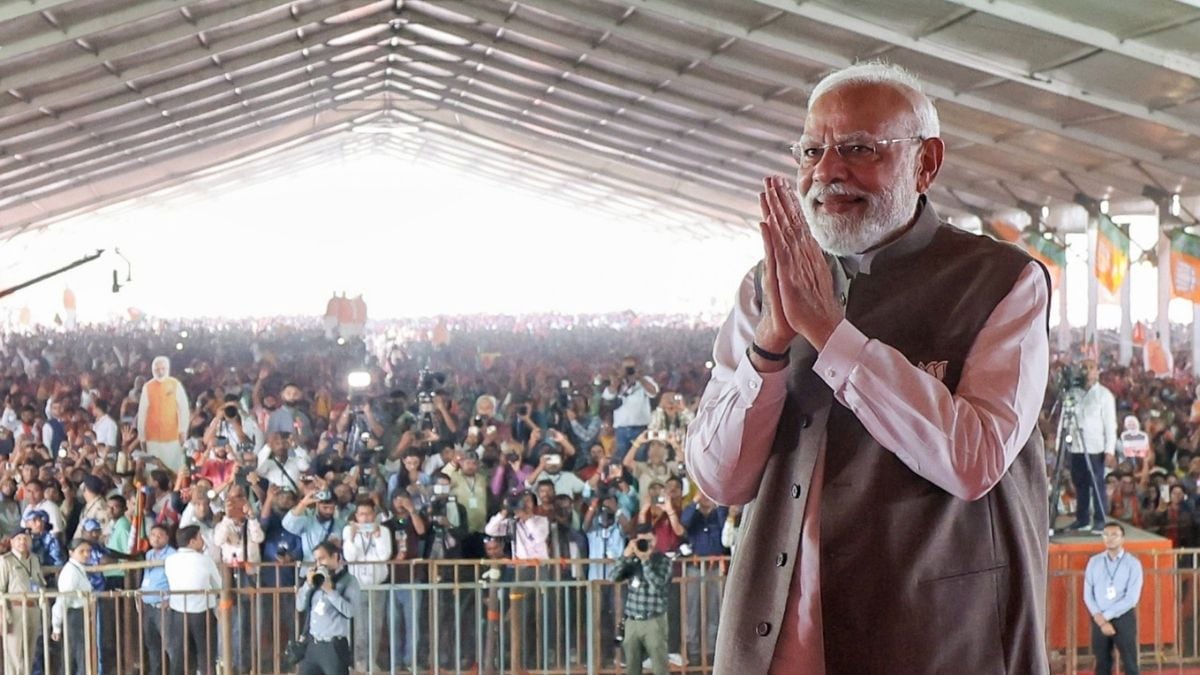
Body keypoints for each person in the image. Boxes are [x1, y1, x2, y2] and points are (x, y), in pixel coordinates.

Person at [685, 62, 1050, 673]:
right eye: (811, 151)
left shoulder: (1001, 281)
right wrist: (772, 343)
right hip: (780, 644)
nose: (827, 171)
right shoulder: (767, 285)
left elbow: (973, 459)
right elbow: (719, 481)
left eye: (858, 148)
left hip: (935, 637)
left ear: (926, 162)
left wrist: (831, 334)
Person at [609, 524, 671, 675]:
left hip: (654, 621)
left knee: (660, 667)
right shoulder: (632, 560)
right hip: (632, 621)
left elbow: (659, 585)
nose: (646, 545)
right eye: (641, 542)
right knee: (631, 668)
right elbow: (613, 578)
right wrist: (625, 556)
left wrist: (646, 561)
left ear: (655, 540)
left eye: (649, 541)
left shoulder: (663, 560)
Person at [1084, 522, 1144, 675]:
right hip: (1098, 617)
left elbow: (1131, 598)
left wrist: (1106, 617)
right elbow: (1087, 594)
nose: (1109, 539)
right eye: (1106, 535)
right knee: (1102, 662)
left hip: (1123, 617)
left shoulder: (1133, 564)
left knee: (1130, 662)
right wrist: (1099, 617)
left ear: (1122, 539)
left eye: (1114, 535)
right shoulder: (1094, 562)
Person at [164, 524, 222, 675]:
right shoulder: (205, 560)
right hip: (202, 613)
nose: (202, 540)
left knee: (179, 657)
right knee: (206, 656)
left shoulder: (169, 561)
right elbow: (219, 585)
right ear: (192, 541)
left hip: (178, 612)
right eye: (200, 537)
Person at [296, 540, 361, 675]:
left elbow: (350, 611)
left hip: (334, 646)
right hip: (313, 644)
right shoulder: (314, 581)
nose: (319, 564)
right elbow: (300, 606)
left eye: (322, 558)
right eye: (316, 560)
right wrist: (307, 585)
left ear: (335, 557)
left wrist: (330, 591)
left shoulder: (349, 581)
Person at [341, 498, 391, 672]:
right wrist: (352, 537)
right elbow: (350, 557)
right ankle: (359, 661)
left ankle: (372, 661)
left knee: (376, 625)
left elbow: (384, 555)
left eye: (369, 514)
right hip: (357, 586)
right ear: (356, 516)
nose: (366, 518)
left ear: (374, 515)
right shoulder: (348, 530)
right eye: (362, 514)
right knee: (360, 627)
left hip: (378, 584)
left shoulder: (383, 530)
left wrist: (377, 537)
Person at [1069, 359, 1118, 532]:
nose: (1087, 371)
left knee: (1097, 484)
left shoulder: (1104, 395)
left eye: (1091, 368)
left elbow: (1110, 425)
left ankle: (1100, 519)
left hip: (1095, 447)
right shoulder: (1073, 393)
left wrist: (1109, 450)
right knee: (1080, 483)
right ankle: (1082, 519)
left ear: (1097, 372)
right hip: (1076, 447)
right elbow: (1066, 417)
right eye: (1084, 368)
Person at [0, 528, 46, 675]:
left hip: (33, 608)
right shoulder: (5, 561)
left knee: (29, 654)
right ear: (12, 542)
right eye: (19, 539)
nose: (22, 542)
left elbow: (39, 582)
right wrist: (4, 614)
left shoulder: (34, 559)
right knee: (15, 656)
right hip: (15, 610)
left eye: (26, 538)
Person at [137, 356, 190, 472]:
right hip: (152, 438)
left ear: (167, 369)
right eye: (157, 369)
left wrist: (183, 431)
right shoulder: (148, 387)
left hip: (172, 436)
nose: (160, 372)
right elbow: (142, 414)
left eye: (163, 369)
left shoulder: (175, 384)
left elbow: (184, 409)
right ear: (152, 370)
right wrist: (142, 437)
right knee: (153, 470)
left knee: (173, 468)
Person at [602, 356, 659, 462]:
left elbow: (654, 392)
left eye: (631, 367)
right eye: (626, 368)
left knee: (639, 460)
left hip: (640, 428)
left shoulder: (645, 380)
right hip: (621, 429)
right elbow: (608, 396)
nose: (629, 371)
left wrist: (640, 378)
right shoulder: (618, 381)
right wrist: (616, 381)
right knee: (621, 460)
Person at [50, 538, 93, 675]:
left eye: (88, 551)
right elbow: (63, 600)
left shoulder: (78, 569)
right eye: (82, 551)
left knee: (77, 654)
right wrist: (56, 625)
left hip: (79, 615)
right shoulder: (71, 572)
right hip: (74, 615)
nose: (86, 554)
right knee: (79, 654)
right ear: (71, 552)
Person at [139, 524, 175, 675]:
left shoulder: (172, 555)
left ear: (167, 537)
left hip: (163, 605)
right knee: (152, 645)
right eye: (153, 535)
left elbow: (176, 579)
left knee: (170, 644)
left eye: (160, 535)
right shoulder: (149, 554)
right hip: (148, 605)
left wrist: (170, 598)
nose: (156, 538)